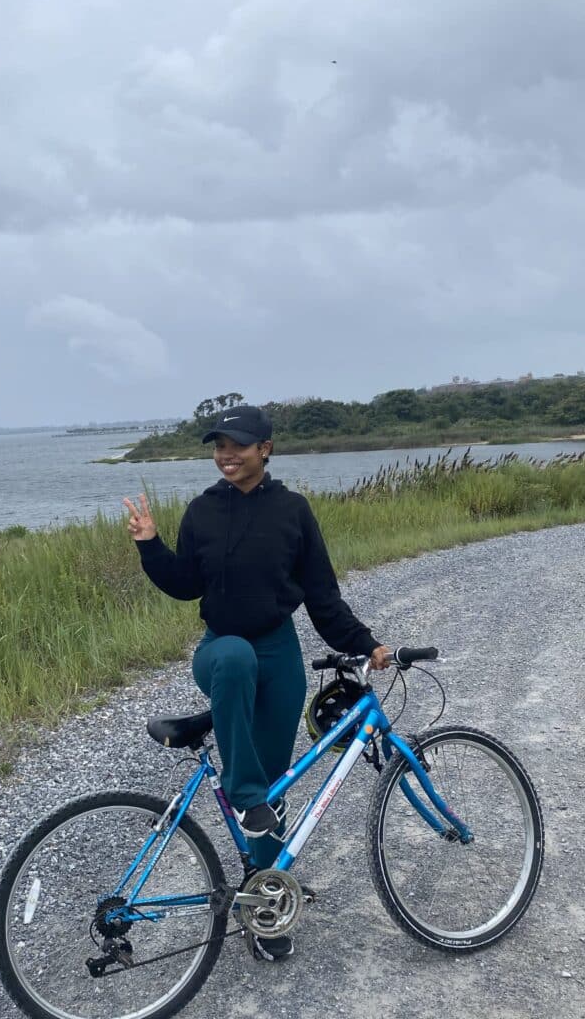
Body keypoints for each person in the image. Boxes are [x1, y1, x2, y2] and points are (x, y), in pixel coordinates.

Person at [123, 404, 389, 961]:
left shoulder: (293, 511)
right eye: (218, 445)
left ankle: (263, 903)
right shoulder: (201, 510)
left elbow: (322, 599)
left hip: (280, 653)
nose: (226, 455)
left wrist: (367, 644)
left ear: (264, 448)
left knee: (274, 786)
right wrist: (150, 544)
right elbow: (184, 584)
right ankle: (241, 792)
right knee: (237, 664)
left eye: (237, 445)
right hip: (221, 651)